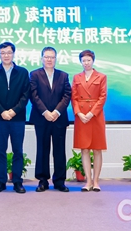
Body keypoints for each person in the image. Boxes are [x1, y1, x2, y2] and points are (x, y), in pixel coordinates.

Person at [0, 41, 30, 194]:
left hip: (18, 118)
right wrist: (2, 112)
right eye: (3, 53)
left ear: (13, 54)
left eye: (9, 52)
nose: (6, 55)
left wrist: (13, 111)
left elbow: (25, 95)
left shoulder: (23, 72)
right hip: (0, 119)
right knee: (0, 151)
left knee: (18, 150)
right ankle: (1, 181)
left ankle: (17, 181)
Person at [30, 47, 71, 192]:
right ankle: (43, 181)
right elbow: (33, 95)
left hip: (59, 119)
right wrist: (45, 112)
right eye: (46, 57)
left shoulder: (63, 75)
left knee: (59, 150)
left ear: (56, 59)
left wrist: (57, 112)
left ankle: (59, 181)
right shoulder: (34, 74)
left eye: (52, 57)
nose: (49, 59)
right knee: (42, 149)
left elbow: (67, 95)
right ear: (41, 58)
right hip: (41, 118)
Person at [72, 49, 107, 192]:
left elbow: (103, 97)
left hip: (96, 116)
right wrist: (79, 113)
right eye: (84, 60)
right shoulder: (76, 77)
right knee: (84, 149)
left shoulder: (101, 76)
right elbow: (73, 97)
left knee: (97, 149)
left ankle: (96, 181)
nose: (86, 63)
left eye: (88, 60)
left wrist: (92, 113)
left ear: (93, 61)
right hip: (81, 116)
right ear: (80, 62)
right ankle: (88, 181)